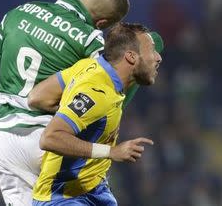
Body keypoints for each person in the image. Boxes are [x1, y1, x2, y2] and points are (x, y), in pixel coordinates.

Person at [0, 0, 130, 206]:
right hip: (47, 142)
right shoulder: (91, 40)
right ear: (103, 23)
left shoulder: (19, 12)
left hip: (4, 140)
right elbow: (107, 90)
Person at [30, 22, 162, 205]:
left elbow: (37, 97)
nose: (158, 57)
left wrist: (73, 110)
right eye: (152, 50)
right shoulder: (97, 92)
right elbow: (49, 138)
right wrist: (111, 151)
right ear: (131, 57)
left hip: (94, 189)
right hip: (61, 197)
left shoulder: (90, 67)